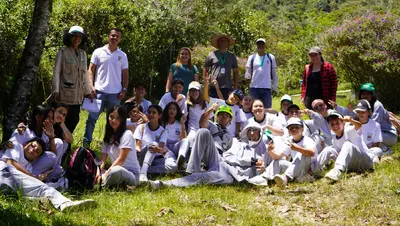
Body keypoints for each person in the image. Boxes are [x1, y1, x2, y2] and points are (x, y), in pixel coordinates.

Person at [0, 138, 95, 212]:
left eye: (37, 151)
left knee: (39, 188)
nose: (33, 150)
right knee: (41, 187)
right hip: (4, 171)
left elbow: (28, 180)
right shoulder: (16, 146)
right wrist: (34, 178)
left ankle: (62, 203)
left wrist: (38, 178)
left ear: (36, 159)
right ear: (26, 144)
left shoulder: (29, 167)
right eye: (32, 146)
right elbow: (10, 162)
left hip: (10, 184)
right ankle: (63, 202)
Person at [83, 28, 129, 147]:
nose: (114, 38)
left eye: (117, 36)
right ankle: (86, 145)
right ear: (108, 36)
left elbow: (125, 74)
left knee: (113, 122)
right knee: (91, 120)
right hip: (98, 91)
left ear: (120, 39)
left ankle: (109, 146)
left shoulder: (122, 55)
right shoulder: (98, 52)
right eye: (113, 35)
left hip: (115, 94)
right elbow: (90, 70)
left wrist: (124, 89)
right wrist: (91, 86)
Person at [51, 25, 91, 133]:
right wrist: (55, 90)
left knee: (74, 120)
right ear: (69, 37)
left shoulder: (83, 54)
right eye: (75, 36)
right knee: (60, 120)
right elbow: (56, 72)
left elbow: (85, 75)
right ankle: (56, 143)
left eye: (80, 37)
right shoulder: (63, 52)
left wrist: (88, 92)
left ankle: (65, 144)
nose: (77, 38)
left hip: (77, 96)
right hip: (64, 95)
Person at [314, 112, 374, 181]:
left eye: (337, 123)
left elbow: (359, 126)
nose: (335, 126)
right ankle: (312, 171)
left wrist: (351, 121)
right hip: (352, 164)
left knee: (347, 144)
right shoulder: (334, 140)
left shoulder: (348, 130)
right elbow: (339, 155)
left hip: (366, 161)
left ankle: (337, 171)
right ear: (330, 127)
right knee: (328, 149)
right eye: (332, 124)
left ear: (343, 123)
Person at [97, 105, 140, 188]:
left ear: (122, 119)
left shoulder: (127, 134)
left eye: (117, 118)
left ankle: (101, 186)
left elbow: (121, 160)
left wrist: (106, 174)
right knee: (94, 169)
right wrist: (99, 170)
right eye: (111, 117)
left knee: (115, 171)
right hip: (113, 170)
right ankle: (101, 180)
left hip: (130, 174)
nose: (113, 120)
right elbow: (103, 156)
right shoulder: (108, 135)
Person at [134, 105, 177, 183]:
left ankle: (144, 169)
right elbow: (137, 145)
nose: (151, 114)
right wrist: (137, 152)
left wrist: (158, 150)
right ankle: (143, 174)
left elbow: (161, 148)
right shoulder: (141, 127)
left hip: (156, 160)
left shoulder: (163, 131)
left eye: (154, 113)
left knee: (173, 167)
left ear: (159, 116)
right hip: (142, 156)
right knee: (153, 144)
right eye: (149, 112)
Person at [270, 118, 317, 187]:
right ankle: (269, 179)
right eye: (291, 128)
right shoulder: (289, 141)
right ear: (288, 131)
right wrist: (270, 151)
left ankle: (285, 178)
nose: (294, 129)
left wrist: (297, 148)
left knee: (300, 153)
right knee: (278, 161)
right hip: (296, 167)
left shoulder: (307, 140)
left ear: (302, 129)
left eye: (297, 127)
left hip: (308, 168)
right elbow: (278, 156)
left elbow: (312, 153)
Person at [358, 83, 398, 154]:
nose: (365, 96)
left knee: (368, 132)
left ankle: (385, 149)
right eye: (363, 94)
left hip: (389, 136)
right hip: (381, 134)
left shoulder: (377, 105)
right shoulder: (364, 105)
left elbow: (372, 124)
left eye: (368, 94)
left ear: (372, 95)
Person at [245, 38, 278, 108]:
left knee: (267, 109)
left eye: (262, 44)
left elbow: (274, 73)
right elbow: (248, 72)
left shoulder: (270, 57)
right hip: (254, 88)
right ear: (256, 46)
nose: (260, 46)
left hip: (266, 87)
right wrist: (248, 83)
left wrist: (275, 87)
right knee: (252, 108)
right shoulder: (252, 57)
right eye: (258, 44)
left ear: (265, 45)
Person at [204, 34, 239, 100]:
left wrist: (235, 88)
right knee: (213, 106)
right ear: (217, 43)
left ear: (228, 43)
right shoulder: (212, 54)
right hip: (213, 86)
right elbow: (206, 69)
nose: (222, 42)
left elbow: (236, 72)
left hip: (227, 87)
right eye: (220, 41)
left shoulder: (232, 56)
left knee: (225, 107)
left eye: (224, 41)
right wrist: (206, 84)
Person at [161, 102, 189, 171]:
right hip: (166, 146)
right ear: (167, 110)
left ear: (177, 111)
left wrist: (182, 124)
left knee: (186, 141)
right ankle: (176, 163)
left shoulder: (179, 123)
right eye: (170, 108)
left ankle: (181, 157)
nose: (172, 110)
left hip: (176, 145)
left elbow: (182, 139)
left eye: (174, 109)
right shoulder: (162, 122)